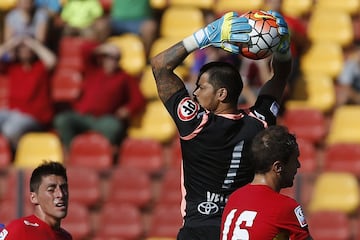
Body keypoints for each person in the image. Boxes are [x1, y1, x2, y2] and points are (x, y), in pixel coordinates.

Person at [150, 10, 292, 240]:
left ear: (221, 93)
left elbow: (159, 66)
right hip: (238, 231)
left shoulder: (196, 124)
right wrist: (283, 49)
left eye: (201, 87)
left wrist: (205, 36)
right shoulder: (260, 123)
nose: (194, 93)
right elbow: (280, 77)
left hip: (196, 231)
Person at [220, 125, 313, 239]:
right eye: (295, 160)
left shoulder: (234, 198)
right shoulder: (285, 207)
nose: (298, 165)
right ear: (278, 167)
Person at [54, 42, 145, 150]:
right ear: (102, 58)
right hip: (83, 116)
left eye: (116, 58)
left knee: (113, 127)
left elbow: (139, 99)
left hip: (104, 119)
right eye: (108, 57)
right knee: (62, 120)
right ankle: (72, 150)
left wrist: (128, 109)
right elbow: (85, 49)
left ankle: (104, 153)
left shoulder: (125, 77)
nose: (112, 61)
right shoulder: (92, 70)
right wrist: (104, 48)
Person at [0, 35, 56, 151]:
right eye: (21, 48)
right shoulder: (13, 67)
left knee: (10, 128)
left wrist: (33, 44)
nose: (24, 50)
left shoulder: (40, 67)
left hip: (35, 117)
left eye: (27, 48)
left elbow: (52, 60)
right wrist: (12, 43)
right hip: (13, 113)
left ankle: (14, 157)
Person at [0, 161, 72, 239]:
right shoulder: (20, 229)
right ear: (34, 198)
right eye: (51, 189)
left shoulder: (66, 237)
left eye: (64, 188)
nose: (60, 194)